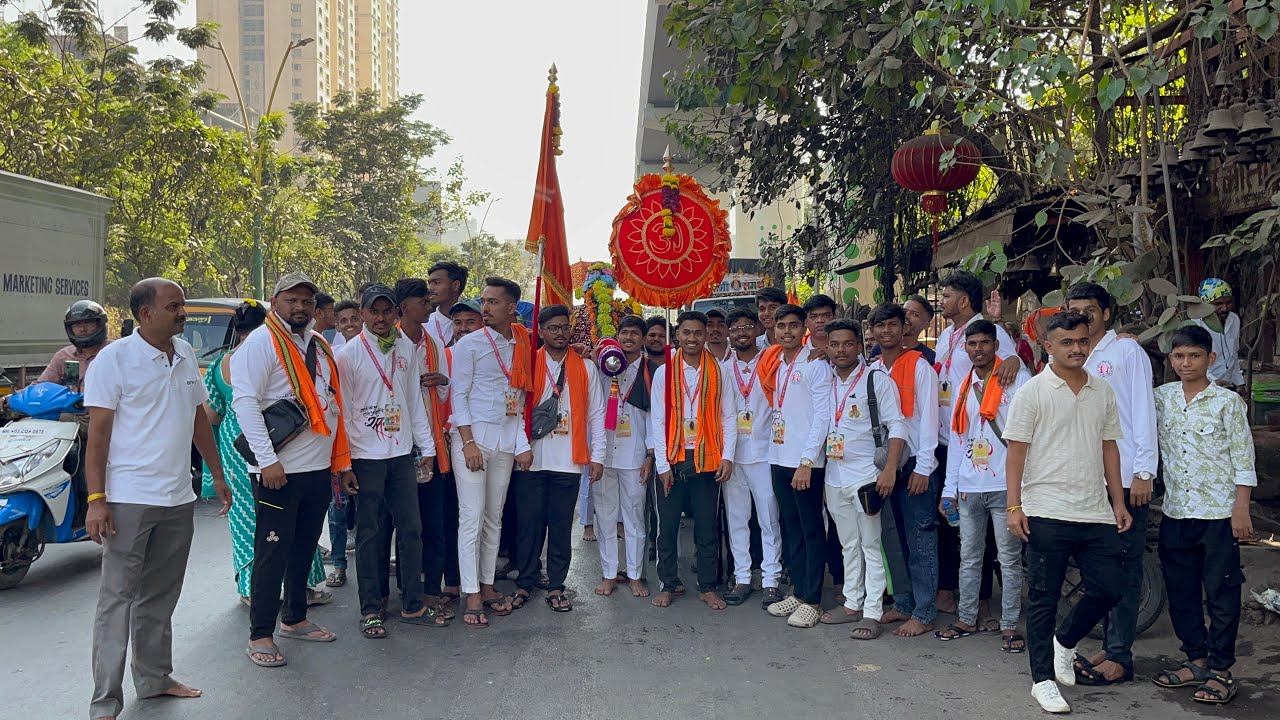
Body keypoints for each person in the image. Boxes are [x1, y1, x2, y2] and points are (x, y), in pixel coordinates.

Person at [85, 278, 231, 720]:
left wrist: (216, 473)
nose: (183, 313)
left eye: (182, 305)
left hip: (177, 497)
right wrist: (96, 499)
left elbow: (197, 418)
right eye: (174, 306)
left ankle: (154, 679)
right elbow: (98, 435)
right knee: (117, 599)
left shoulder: (184, 353)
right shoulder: (114, 360)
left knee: (161, 595)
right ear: (145, 314)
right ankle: (105, 702)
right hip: (128, 499)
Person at [1003, 311, 1132, 714]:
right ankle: (1042, 681)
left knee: (1110, 588)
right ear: (1049, 346)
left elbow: (1110, 448)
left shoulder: (1102, 390)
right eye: (1067, 342)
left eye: (1082, 341)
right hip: (1046, 510)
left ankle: (1065, 640)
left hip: (1095, 510)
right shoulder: (1033, 392)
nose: (1077, 348)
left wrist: (1118, 502)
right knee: (1043, 598)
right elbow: (1015, 453)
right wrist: (1014, 506)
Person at [232, 272, 354, 667]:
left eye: (306, 301)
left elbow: (332, 403)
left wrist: (339, 463)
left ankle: (295, 618)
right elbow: (245, 404)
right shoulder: (260, 344)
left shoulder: (318, 343)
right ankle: (260, 634)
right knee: (272, 551)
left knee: (304, 548)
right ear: (275, 302)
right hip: (278, 470)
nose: (299, 307)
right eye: (291, 300)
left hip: (317, 466)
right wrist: (266, 460)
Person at [1151, 326, 1256, 705]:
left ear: (1210, 359)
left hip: (1219, 515)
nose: (1186, 363)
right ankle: (1195, 660)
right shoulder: (1161, 399)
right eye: (1179, 356)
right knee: (1181, 593)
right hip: (1176, 512)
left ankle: (1221, 670)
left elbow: (1243, 458)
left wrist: (1241, 509)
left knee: (1222, 592)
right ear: (1171, 359)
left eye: (1194, 356)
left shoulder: (1228, 403)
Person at [202, 300, 329, 606]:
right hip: (281, 441)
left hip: (237, 446)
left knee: (246, 517)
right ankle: (302, 588)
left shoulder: (221, 365)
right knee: (292, 517)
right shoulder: (281, 352)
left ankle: (251, 589)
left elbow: (211, 415)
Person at [1065, 281, 1159, 685]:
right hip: (1084, 479)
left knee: (1125, 566)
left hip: (1124, 479)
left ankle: (1120, 657)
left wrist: (1144, 472)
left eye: (1089, 310)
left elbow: (1143, 411)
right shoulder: (1071, 353)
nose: (1082, 317)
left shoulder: (1125, 352)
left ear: (1105, 313)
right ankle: (1110, 645)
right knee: (1098, 569)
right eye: (1074, 310)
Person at [336, 282, 443, 637]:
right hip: (365, 456)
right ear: (362, 314)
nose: (380, 318)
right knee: (370, 533)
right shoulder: (348, 355)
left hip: (401, 454)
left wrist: (427, 449)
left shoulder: (405, 348)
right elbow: (344, 411)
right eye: (374, 311)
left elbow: (414, 401)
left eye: (387, 311)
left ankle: (413, 603)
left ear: (396, 313)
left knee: (411, 529)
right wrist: (345, 464)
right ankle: (371, 608)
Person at [937, 320, 1029, 652]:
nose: (978, 350)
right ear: (965, 348)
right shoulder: (964, 387)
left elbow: (1025, 434)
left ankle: (1009, 625)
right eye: (972, 344)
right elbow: (958, 441)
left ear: (996, 345)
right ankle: (966, 618)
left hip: (1005, 483)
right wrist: (949, 489)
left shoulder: (1017, 379)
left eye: (984, 343)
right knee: (970, 557)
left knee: (1008, 558)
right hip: (970, 485)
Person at [933, 271, 1020, 617]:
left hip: (992, 450)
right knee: (955, 529)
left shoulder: (991, 333)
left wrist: (1015, 358)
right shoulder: (947, 336)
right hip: (953, 438)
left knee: (991, 540)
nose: (942, 301)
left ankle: (985, 601)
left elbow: (1012, 368)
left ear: (964, 300)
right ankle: (960, 599)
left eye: (947, 296)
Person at [511, 304, 605, 612]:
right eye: (553, 328)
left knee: (561, 526)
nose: (560, 333)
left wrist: (598, 456)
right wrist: (521, 447)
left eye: (564, 327)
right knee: (529, 526)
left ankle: (556, 586)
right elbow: (517, 409)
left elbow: (596, 415)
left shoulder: (585, 367)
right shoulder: (528, 363)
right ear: (541, 331)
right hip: (532, 459)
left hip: (568, 460)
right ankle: (525, 582)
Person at [450, 277, 532, 627]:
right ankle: (470, 593)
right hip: (473, 440)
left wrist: (521, 444)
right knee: (471, 516)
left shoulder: (523, 343)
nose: (485, 308)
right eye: (483, 301)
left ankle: (486, 585)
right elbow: (459, 395)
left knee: (493, 518)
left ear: (511, 307)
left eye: (493, 302)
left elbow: (522, 397)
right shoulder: (469, 344)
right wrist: (468, 442)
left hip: (506, 439)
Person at [821, 318, 904, 640]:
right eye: (834, 344)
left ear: (859, 346)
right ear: (827, 347)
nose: (841, 350)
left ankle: (872, 611)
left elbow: (897, 426)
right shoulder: (825, 380)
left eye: (847, 344)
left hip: (867, 476)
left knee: (871, 544)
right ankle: (852, 603)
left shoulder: (876, 380)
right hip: (834, 475)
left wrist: (889, 470)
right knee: (848, 544)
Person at [649, 310, 737, 610]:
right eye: (686, 332)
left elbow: (728, 416)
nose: (692, 338)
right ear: (678, 335)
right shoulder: (664, 372)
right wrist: (662, 465)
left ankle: (708, 587)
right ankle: (668, 584)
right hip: (673, 459)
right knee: (668, 528)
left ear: (706, 335)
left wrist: (728, 457)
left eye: (698, 333)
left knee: (707, 528)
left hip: (708, 458)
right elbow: (658, 420)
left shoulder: (719, 371)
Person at [867, 303, 940, 638]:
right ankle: (904, 602)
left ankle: (924, 612)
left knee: (920, 539)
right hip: (885, 465)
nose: (886, 332)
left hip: (914, 465)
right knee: (893, 538)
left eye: (892, 325)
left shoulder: (920, 366)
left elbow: (929, 421)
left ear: (903, 328)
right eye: (880, 326)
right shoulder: (872, 370)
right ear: (872, 331)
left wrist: (924, 467)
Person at [763, 303, 834, 628]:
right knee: (791, 528)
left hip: (805, 462)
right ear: (775, 330)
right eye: (782, 326)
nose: (787, 331)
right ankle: (798, 591)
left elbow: (822, 416)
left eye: (793, 325)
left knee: (811, 529)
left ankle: (813, 600)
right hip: (779, 457)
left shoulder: (816, 364)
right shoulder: (776, 363)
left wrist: (807, 461)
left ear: (803, 327)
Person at [394, 279, 459, 613]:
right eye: (423, 300)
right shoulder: (389, 342)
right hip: (395, 444)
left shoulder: (433, 345)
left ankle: (431, 588)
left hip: (430, 445)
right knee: (404, 525)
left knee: (433, 520)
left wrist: (442, 382)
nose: (430, 304)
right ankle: (404, 588)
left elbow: (445, 395)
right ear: (404, 307)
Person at [591, 314, 658, 598]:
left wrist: (650, 456)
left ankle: (634, 575)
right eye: (624, 333)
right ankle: (609, 574)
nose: (628, 338)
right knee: (605, 518)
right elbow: (593, 409)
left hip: (635, 455)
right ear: (618, 336)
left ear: (643, 339)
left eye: (634, 333)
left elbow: (655, 416)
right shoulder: (604, 366)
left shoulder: (651, 371)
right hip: (603, 453)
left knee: (634, 518)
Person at [721, 308, 782, 607]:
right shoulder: (721, 369)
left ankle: (771, 579)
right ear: (729, 335)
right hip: (732, 456)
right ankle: (742, 577)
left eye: (746, 327)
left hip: (766, 453)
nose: (741, 333)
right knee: (737, 520)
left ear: (757, 330)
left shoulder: (772, 361)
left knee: (769, 519)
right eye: (735, 329)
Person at [38, 299, 111, 391]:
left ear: (100, 324)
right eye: (76, 325)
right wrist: (21, 396)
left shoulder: (115, 352)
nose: (82, 329)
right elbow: (40, 386)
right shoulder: (64, 356)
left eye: (88, 323)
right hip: (74, 400)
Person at [1192, 278, 1244, 388]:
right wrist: (1213, 381)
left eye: (1228, 302)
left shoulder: (1234, 319)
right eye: (1218, 304)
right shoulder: (1196, 325)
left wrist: (1240, 383)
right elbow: (1193, 363)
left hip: (1229, 386)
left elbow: (1234, 356)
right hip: (1203, 386)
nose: (1224, 308)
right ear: (1205, 304)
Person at [869, 295, 937, 365]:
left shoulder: (930, 357)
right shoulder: (879, 348)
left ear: (926, 325)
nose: (907, 316)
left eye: (915, 314)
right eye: (905, 311)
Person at [427, 260, 469, 349]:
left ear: (455, 285)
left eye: (436, 282)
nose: (430, 288)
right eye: (429, 283)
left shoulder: (476, 323)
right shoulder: (424, 325)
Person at [800, 293, 837, 361]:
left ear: (834, 318)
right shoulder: (799, 347)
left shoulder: (847, 345)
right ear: (805, 322)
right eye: (813, 316)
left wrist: (833, 361)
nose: (820, 321)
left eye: (826, 315)